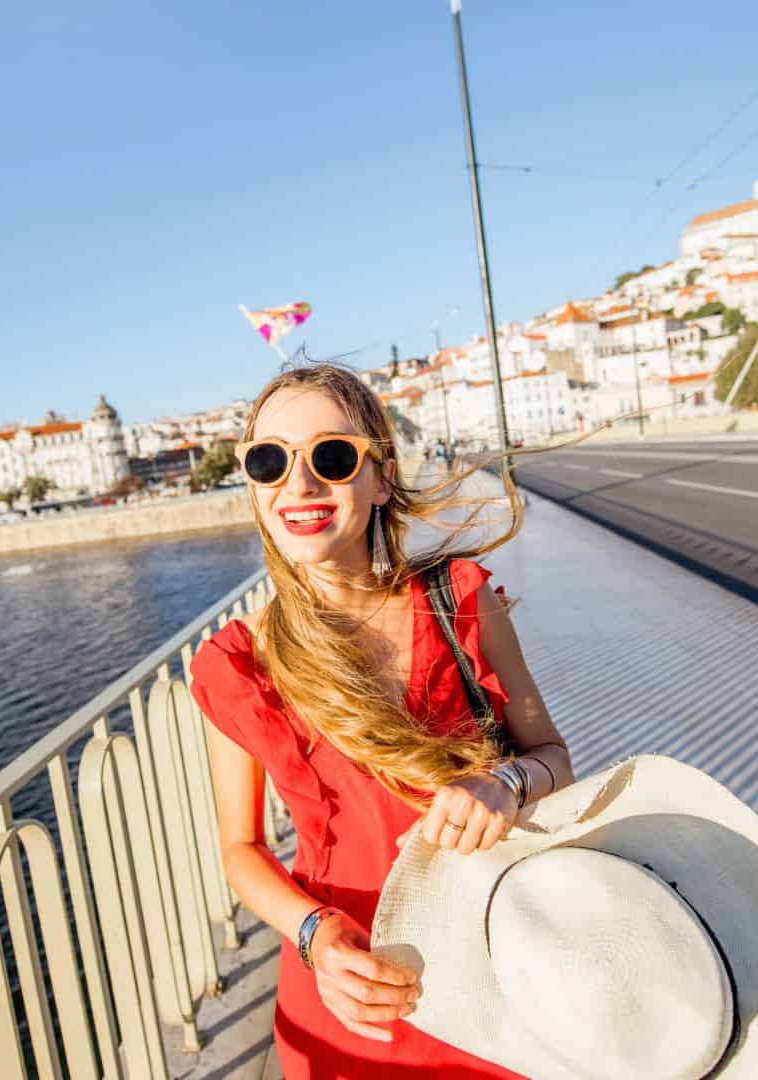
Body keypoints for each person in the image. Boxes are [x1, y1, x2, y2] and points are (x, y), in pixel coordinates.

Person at [188, 361, 583, 1078]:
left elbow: (553, 756)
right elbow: (241, 848)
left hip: (500, 968)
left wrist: (507, 784)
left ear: (381, 477)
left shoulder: (459, 599)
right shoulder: (239, 662)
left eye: (332, 458)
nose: (298, 486)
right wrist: (313, 935)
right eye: (269, 461)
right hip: (353, 997)